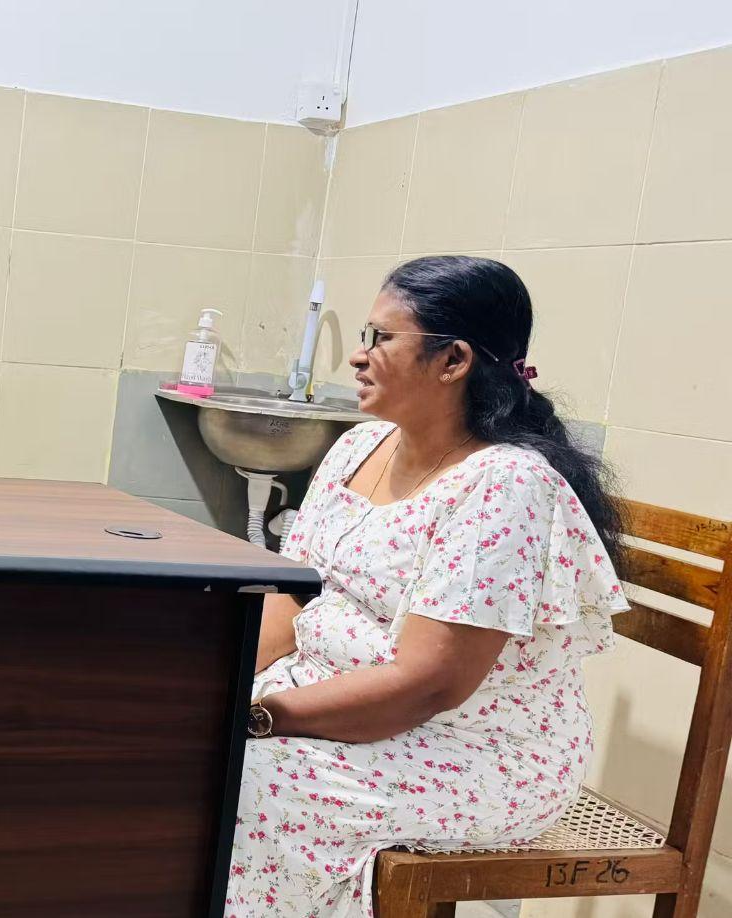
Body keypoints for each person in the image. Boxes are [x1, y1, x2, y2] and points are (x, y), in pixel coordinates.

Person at [225, 256, 630, 916]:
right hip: (333, 700)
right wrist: (229, 684)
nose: (358, 356)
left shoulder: (504, 487)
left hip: (474, 747)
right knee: (174, 745)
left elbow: (428, 684)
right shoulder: (359, 447)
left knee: (242, 785)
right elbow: (294, 593)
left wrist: (263, 718)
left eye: (381, 338)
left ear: (453, 361)